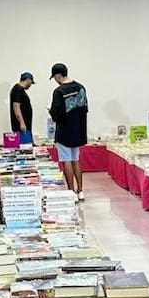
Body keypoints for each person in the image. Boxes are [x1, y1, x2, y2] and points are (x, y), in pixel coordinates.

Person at [49, 63, 89, 200]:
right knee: (76, 159)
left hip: (64, 131)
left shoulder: (59, 91)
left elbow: (56, 114)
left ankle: (71, 191)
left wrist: (50, 111)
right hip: (79, 130)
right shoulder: (81, 88)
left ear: (58, 75)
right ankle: (81, 191)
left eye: (54, 77)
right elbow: (85, 108)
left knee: (66, 160)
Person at [9, 72, 34, 143]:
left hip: (25, 126)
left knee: (28, 145)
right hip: (21, 128)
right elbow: (16, 107)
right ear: (28, 80)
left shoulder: (20, 90)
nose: (30, 85)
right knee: (25, 146)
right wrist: (22, 123)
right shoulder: (18, 90)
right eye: (31, 83)